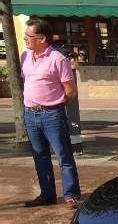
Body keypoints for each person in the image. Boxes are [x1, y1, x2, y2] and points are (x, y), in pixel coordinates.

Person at [20, 18, 81, 208]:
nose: (25, 39)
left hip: (52, 115)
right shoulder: (24, 56)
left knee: (63, 155)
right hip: (30, 115)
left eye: (28, 36)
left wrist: (54, 105)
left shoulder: (58, 59)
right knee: (40, 156)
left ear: (42, 38)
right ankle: (47, 195)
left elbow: (70, 90)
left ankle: (71, 195)